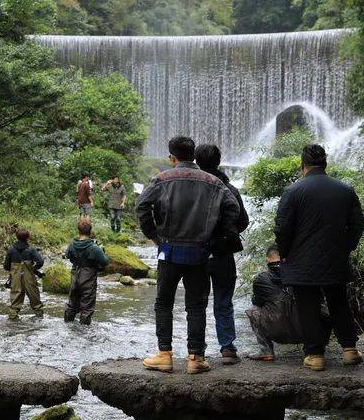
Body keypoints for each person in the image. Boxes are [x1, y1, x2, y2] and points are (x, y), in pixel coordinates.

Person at [136, 136, 241, 374]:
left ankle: (164, 354)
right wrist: (216, 240)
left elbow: (142, 206)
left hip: (169, 250)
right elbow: (233, 210)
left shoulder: (162, 179)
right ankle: (196, 358)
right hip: (200, 253)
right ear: (193, 155)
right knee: (196, 306)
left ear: (171, 157)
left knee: (163, 303)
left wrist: (154, 236)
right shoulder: (213, 181)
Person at [275, 144, 364, 371]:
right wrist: (346, 247)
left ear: (302, 165)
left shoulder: (293, 191)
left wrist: (284, 253)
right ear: (325, 164)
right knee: (339, 302)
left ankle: (315, 355)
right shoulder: (345, 190)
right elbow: (358, 223)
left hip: (301, 260)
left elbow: (282, 228)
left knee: (308, 306)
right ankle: (349, 350)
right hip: (335, 257)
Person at [196, 144, 250, 365]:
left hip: (196, 254)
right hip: (223, 253)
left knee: (196, 303)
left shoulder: (193, 188)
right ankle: (227, 348)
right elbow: (243, 221)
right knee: (224, 301)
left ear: (197, 162)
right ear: (219, 162)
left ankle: (197, 350)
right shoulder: (230, 189)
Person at [245, 245, 327, 361]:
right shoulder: (302, 274)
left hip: (277, 331)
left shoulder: (261, 279)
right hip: (306, 330)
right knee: (321, 307)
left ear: (267, 259)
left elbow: (257, 302)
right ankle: (313, 350)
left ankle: (266, 351)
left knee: (253, 310)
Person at [63, 217, 109, 325]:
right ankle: (84, 332)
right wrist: (101, 251)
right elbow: (105, 262)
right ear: (90, 231)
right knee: (87, 307)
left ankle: (67, 325)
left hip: (75, 276)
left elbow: (67, 255)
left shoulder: (72, 244)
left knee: (72, 304)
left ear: (78, 231)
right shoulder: (94, 247)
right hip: (88, 278)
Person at [4, 229, 45, 319]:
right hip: (29, 278)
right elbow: (40, 262)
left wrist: (14, 270)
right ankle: (39, 319)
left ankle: (13, 320)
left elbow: (6, 266)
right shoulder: (31, 250)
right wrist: (33, 269)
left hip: (15, 278)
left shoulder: (11, 250)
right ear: (27, 237)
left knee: (15, 300)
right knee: (35, 299)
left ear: (17, 237)